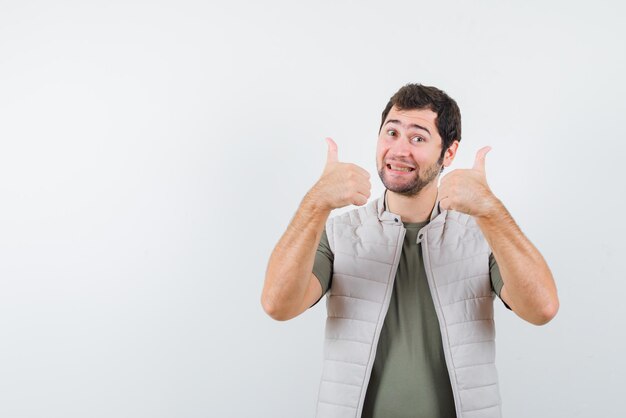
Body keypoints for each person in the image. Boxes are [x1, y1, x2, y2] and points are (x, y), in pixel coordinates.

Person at [261, 83, 559, 418]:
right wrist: (316, 204)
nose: (399, 150)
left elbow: (541, 309)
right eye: (391, 133)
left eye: (418, 138)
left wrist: (490, 211)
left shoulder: (481, 234)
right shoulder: (339, 233)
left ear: (448, 152)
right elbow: (277, 305)